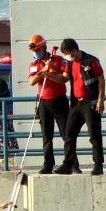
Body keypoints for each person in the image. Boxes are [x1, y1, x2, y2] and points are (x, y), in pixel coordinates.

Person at [54, 39, 106, 176]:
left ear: (73, 50)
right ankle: (68, 164)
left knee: (94, 134)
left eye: (67, 54)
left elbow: (101, 79)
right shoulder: (70, 64)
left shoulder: (91, 60)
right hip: (76, 103)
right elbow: (63, 78)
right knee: (69, 134)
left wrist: (100, 100)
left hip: (90, 103)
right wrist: (48, 75)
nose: (67, 57)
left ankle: (98, 164)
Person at [27, 34, 74, 175]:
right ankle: (48, 164)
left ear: (44, 48)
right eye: (34, 51)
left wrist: (52, 69)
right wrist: (41, 74)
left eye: (38, 50)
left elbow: (64, 78)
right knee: (46, 136)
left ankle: (72, 163)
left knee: (66, 133)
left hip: (59, 100)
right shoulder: (33, 65)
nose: (36, 53)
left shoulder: (58, 60)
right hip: (43, 102)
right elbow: (31, 82)